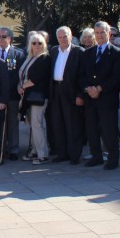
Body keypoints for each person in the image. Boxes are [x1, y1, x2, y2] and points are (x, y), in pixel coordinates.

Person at [81, 21, 120, 170]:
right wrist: (88, 89)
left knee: (109, 131)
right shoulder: (88, 53)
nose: (99, 36)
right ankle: (96, 157)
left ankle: (113, 159)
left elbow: (117, 77)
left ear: (109, 33)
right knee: (92, 129)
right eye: (97, 33)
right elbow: (82, 75)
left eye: (102, 32)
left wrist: (99, 88)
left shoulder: (116, 53)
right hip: (90, 98)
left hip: (107, 98)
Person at [48, 27, 85, 165]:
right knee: (58, 124)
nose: (63, 39)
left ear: (71, 36)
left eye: (65, 36)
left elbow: (83, 75)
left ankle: (74, 155)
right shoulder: (53, 51)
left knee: (73, 125)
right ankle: (62, 153)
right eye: (60, 37)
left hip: (72, 91)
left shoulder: (78, 51)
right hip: (56, 90)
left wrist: (80, 94)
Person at [19, 32, 52, 165]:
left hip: (38, 96)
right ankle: (34, 150)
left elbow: (37, 78)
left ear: (44, 44)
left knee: (37, 125)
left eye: (39, 43)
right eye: (34, 43)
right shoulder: (30, 57)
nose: (37, 45)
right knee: (32, 125)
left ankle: (43, 154)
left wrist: (23, 86)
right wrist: (20, 87)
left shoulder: (45, 58)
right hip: (27, 96)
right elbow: (22, 75)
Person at [0, 27, 26, 160]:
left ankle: (13, 149)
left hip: (12, 95)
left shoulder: (17, 54)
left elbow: (19, 75)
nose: (0, 39)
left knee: (12, 123)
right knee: (0, 123)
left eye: (3, 36)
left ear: (10, 39)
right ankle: (2, 147)